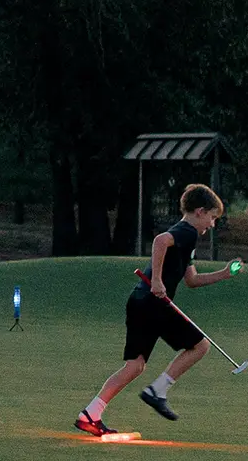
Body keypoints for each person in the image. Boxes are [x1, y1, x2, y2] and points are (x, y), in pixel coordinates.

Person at [75, 183, 239, 435]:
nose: (212, 224)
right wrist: (159, 281)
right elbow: (160, 241)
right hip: (152, 302)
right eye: (212, 217)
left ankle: (90, 414)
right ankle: (157, 391)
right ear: (199, 211)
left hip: (142, 301)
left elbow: (191, 280)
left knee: (135, 366)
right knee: (200, 346)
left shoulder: (186, 239)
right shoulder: (187, 232)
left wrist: (224, 274)